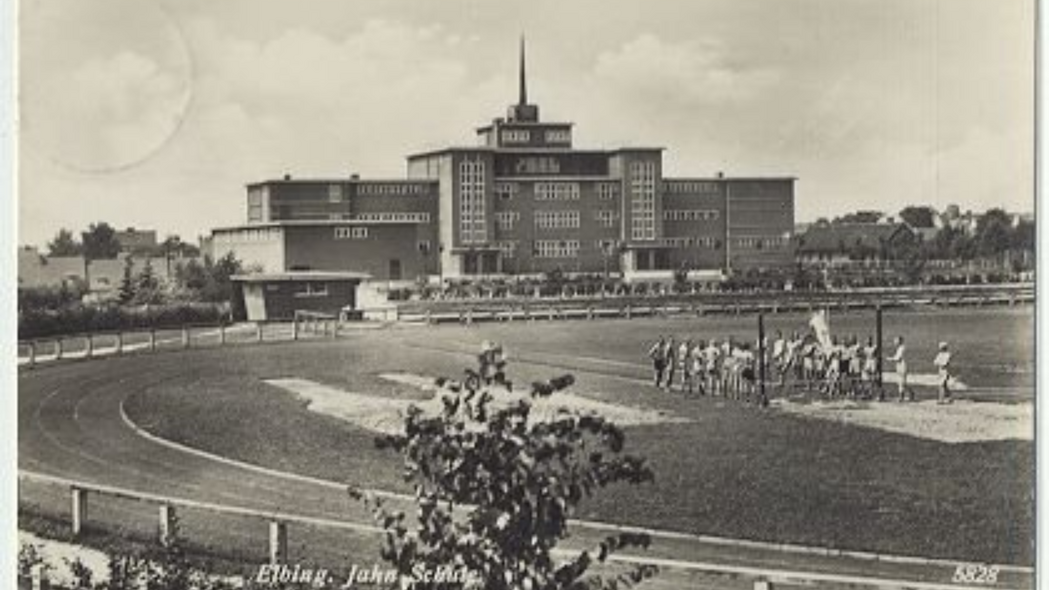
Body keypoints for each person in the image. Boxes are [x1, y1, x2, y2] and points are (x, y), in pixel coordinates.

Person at [887, 336, 914, 401]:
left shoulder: (902, 348)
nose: (895, 342)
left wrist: (890, 359)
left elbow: (898, 358)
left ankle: (901, 396)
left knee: (901, 382)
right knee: (901, 382)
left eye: (896, 341)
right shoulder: (899, 348)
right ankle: (910, 393)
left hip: (902, 366)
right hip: (899, 366)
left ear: (900, 341)